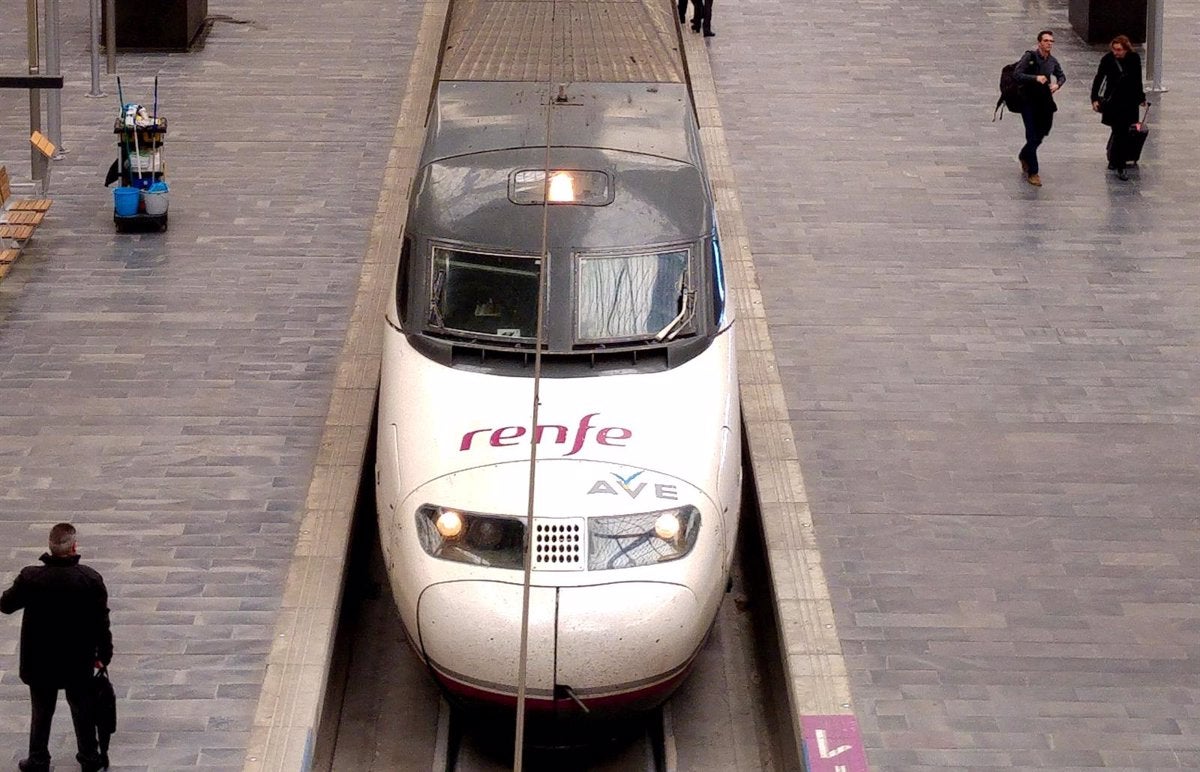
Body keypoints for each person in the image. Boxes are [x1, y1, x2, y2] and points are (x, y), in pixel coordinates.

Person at [2, 523, 113, 772]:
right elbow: (101, 622)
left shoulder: (31, 577)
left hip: (39, 661)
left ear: (50, 548)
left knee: (41, 711)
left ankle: (38, 759)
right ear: (74, 547)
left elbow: (6, 604)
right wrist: (104, 655)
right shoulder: (89, 579)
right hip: (78, 659)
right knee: (82, 709)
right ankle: (89, 757)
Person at [1090, 34, 1146, 181]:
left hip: (1129, 102)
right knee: (1118, 130)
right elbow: (1099, 77)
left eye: (1119, 50)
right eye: (1114, 49)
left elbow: (1137, 80)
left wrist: (1141, 98)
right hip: (1113, 101)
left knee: (1122, 132)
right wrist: (1094, 98)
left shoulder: (1134, 59)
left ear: (1126, 49)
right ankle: (1118, 163)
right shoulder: (1108, 59)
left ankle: (1116, 161)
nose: (1116, 52)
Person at [1015, 30, 1066, 187]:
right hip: (1028, 102)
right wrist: (1035, 78)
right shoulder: (1029, 56)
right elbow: (1017, 74)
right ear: (1039, 43)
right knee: (1031, 135)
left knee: (1042, 132)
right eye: (1046, 40)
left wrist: (1057, 85)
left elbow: (1062, 76)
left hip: (1045, 103)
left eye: (1051, 41)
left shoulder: (1052, 61)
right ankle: (1033, 172)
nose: (1049, 43)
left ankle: (1024, 154)